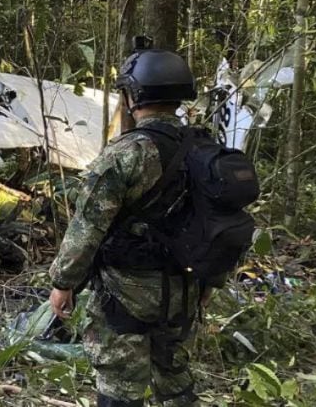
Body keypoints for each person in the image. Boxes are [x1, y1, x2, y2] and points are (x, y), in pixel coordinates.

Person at [47, 46, 203, 407]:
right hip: (185, 289)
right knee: (176, 381)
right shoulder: (204, 149)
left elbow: (87, 227)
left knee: (120, 384)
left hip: (125, 294)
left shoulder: (128, 153)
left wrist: (62, 283)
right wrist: (208, 284)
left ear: (134, 95)